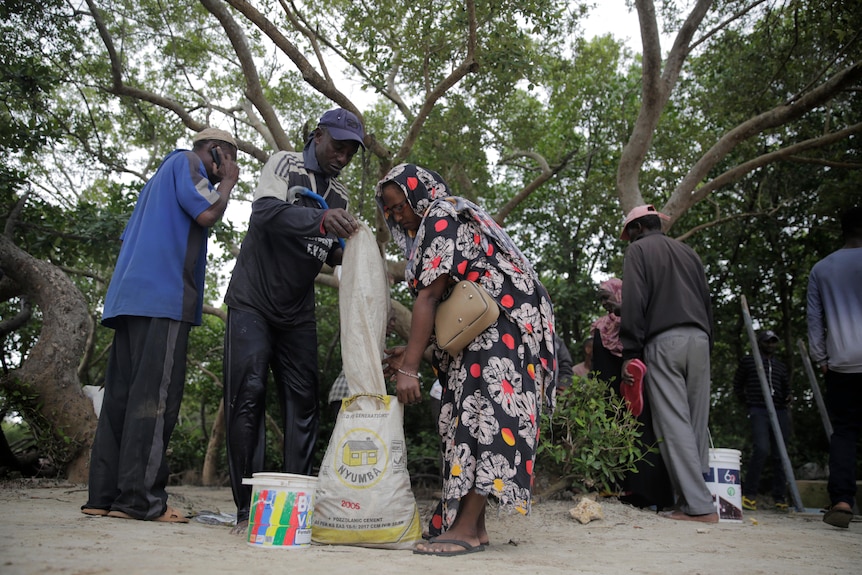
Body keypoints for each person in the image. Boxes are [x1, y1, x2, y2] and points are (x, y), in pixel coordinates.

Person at [377, 164, 556, 556]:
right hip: (492, 330)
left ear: (418, 194)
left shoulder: (441, 214)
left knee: (485, 419)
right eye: (387, 211)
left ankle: (466, 529)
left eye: (397, 205)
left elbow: (429, 296)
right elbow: (453, 314)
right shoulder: (452, 216)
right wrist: (413, 354)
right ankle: (474, 526)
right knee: (470, 418)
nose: (394, 215)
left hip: (504, 327)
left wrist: (408, 367)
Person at [83, 128, 240, 522]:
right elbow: (207, 213)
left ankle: (103, 497)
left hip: (129, 298)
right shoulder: (186, 163)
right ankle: (140, 501)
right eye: (229, 157)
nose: (230, 166)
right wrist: (229, 182)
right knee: (154, 402)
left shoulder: (154, 184)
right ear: (216, 152)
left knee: (120, 399)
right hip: (164, 298)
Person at [222, 108, 364, 534]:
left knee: (303, 403)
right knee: (248, 394)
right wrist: (320, 219)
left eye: (351, 151)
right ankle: (249, 507)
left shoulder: (339, 195)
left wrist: (356, 257)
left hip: (297, 311)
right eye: (338, 146)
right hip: (253, 301)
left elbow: (332, 251)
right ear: (318, 135)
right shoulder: (285, 163)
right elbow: (264, 213)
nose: (343, 156)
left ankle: (296, 502)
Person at [619, 204, 717, 523]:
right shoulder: (689, 252)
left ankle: (700, 507)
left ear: (636, 230)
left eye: (628, 234)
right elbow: (706, 301)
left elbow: (634, 303)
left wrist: (631, 352)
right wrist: (706, 341)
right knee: (695, 423)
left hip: (664, 341)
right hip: (700, 340)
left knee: (673, 423)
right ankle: (691, 500)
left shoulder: (638, 251)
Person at [591, 277, 673, 510]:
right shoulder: (600, 327)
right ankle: (619, 490)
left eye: (606, 297)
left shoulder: (640, 325)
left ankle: (648, 494)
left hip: (640, 395)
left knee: (643, 435)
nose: (603, 303)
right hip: (611, 399)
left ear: (619, 295)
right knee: (615, 437)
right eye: (600, 299)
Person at [807, 205, 862, 529]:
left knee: (844, 433)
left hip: (842, 363)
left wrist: (822, 359)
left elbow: (815, 321)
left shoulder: (822, 269)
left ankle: (842, 500)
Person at [733, 329, 792, 511]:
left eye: (773, 341)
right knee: (761, 449)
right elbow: (737, 385)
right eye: (767, 341)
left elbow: (786, 388)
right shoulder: (749, 361)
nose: (771, 345)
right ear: (760, 343)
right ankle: (749, 495)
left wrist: (788, 397)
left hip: (779, 410)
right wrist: (749, 403)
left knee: (780, 453)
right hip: (758, 409)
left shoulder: (780, 366)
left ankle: (779, 497)